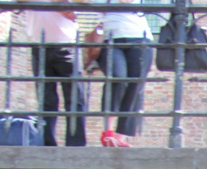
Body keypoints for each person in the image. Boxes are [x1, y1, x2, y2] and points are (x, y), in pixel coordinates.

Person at [19, 0, 87, 146]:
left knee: (75, 98)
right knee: (46, 100)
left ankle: (76, 145)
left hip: (67, 44)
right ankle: (46, 143)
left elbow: (79, 8)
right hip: (39, 45)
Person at [97, 0, 153, 147]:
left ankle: (119, 137)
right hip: (111, 37)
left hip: (140, 36)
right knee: (117, 78)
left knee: (135, 85)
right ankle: (107, 133)